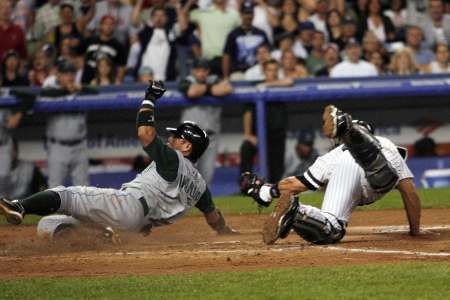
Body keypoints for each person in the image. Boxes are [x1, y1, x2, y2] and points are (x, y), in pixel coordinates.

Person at [0, 81, 237, 240]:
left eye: (176, 137)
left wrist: (149, 99)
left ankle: (18, 206)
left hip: (129, 206)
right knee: (52, 224)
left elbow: (145, 134)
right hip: (138, 227)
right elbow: (213, 216)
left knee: (65, 195)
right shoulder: (200, 185)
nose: (170, 139)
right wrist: (225, 231)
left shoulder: (174, 160)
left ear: (186, 146)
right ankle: (102, 236)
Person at [240, 105, 422, 245]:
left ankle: (297, 212)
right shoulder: (388, 145)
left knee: (331, 226)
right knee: (383, 177)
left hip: (347, 168)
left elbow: (299, 184)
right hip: (378, 162)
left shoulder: (332, 155)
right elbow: (409, 193)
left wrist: (268, 191)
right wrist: (415, 232)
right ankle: (354, 134)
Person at [178, 58, 233, 184]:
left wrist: (204, 90)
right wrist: (211, 90)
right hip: (189, 138)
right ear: (193, 71)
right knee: (186, 177)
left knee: (206, 178)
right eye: (198, 70)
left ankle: (201, 203)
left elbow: (227, 88)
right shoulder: (187, 80)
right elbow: (192, 92)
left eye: (204, 70)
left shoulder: (215, 79)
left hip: (210, 138)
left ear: (208, 71)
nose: (201, 73)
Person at [239, 59, 292, 183]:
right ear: (264, 71)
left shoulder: (280, 85)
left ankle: (272, 190)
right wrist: (248, 134)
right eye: (269, 70)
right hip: (258, 135)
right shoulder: (257, 86)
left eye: (275, 70)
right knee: (246, 150)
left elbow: (290, 81)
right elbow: (248, 112)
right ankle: (246, 187)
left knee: (276, 169)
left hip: (277, 135)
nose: (272, 73)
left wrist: (269, 85)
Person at [44, 59, 94, 188]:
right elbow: (44, 93)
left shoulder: (81, 90)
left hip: (79, 146)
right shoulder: (51, 90)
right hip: (58, 147)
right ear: (58, 75)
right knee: (55, 190)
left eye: (72, 73)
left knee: (83, 190)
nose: (70, 76)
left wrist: (82, 88)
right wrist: (66, 91)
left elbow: (98, 92)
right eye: (66, 73)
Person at [188, 0, 241, 76]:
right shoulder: (202, 13)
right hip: (209, 61)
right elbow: (184, 19)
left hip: (230, 60)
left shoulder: (234, 14)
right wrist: (189, 2)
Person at [0, 90, 35, 198]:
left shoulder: (8, 93)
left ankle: (2, 203)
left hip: (3, 142)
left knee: (3, 175)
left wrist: (18, 114)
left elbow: (30, 97)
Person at [222, 0, 270, 80]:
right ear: (241, 14)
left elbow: (268, 54)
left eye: (250, 13)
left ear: (254, 15)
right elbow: (227, 56)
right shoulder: (233, 34)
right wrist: (226, 77)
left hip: (258, 71)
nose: (248, 16)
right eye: (246, 13)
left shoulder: (261, 33)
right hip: (239, 72)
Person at [81, 15, 127, 85]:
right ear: (101, 25)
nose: (108, 27)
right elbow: (80, 57)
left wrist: (117, 84)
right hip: (86, 79)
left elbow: (121, 68)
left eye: (111, 24)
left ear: (114, 27)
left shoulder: (118, 46)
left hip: (106, 83)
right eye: (106, 24)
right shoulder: (90, 40)